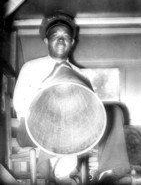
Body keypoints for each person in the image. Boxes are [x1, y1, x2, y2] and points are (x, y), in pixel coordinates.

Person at [13, 11, 131, 184]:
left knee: (115, 111)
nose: (61, 40)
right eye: (55, 36)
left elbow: (90, 110)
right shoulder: (30, 67)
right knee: (63, 120)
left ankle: (111, 171)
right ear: (46, 41)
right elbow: (20, 105)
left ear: (72, 42)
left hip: (73, 129)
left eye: (66, 36)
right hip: (32, 128)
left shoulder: (79, 74)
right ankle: (59, 174)